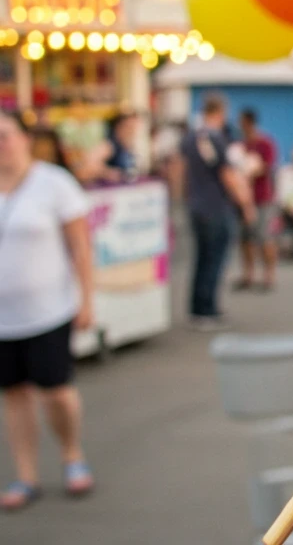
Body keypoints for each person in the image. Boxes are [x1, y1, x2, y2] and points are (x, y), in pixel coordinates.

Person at [0, 110, 95, 509]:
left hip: (48, 310)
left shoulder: (53, 183)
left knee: (57, 393)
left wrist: (87, 298)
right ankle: (26, 475)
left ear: (25, 138)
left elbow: (80, 246)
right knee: (15, 395)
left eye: (5, 135)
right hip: (5, 319)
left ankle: (71, 453)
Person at [181, 94, 256, 330]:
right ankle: (207, 308)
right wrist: (246, 204)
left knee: (201, 258)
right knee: (215, 258)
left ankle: (197, 306)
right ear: (221, 111)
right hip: (216, 207)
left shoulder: (191, 137)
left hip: (196, 205)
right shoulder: (216, 137)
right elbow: (227, 175)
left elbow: (181, 170)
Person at [233, 109, 279, 292]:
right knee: (246, 238)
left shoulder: (265, 144)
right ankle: (248, 275)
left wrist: (250, 171)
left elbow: (267, 167)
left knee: (265, 237)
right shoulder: (240, 145)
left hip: (262, 198)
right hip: (244, 199)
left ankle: (269, 275)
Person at [102, 111, 141, 182]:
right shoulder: (108, 146)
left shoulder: (126, 148)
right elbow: (83, 171)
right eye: (129, 128)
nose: (132, 133)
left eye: (135, 129)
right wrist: (106, 173)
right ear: (118, 127)